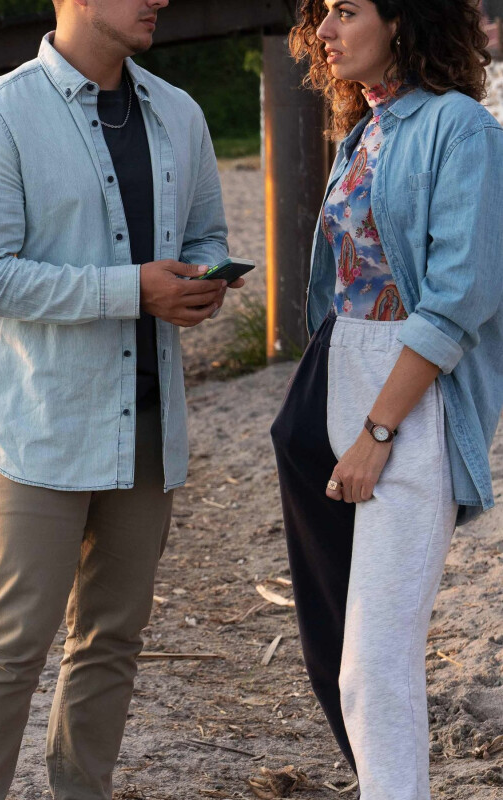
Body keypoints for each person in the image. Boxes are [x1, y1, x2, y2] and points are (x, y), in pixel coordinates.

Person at [0, 1, 244, 798]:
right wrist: (130, 290)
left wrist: (200, 281)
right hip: (38, 429)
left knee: (113, 638)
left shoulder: (180, 112)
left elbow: (205, 235)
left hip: (149, 428)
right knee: (13, 646)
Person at [271, 2, 503, 799]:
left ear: (402, 20)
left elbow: (458, 298)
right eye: (321, 13)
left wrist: (377, 430)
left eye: (346, 10)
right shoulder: (364, 130)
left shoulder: (460, 129)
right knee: (335, 646)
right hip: (330, 381)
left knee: (376, 658)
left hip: (407, 400)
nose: (324, 31)